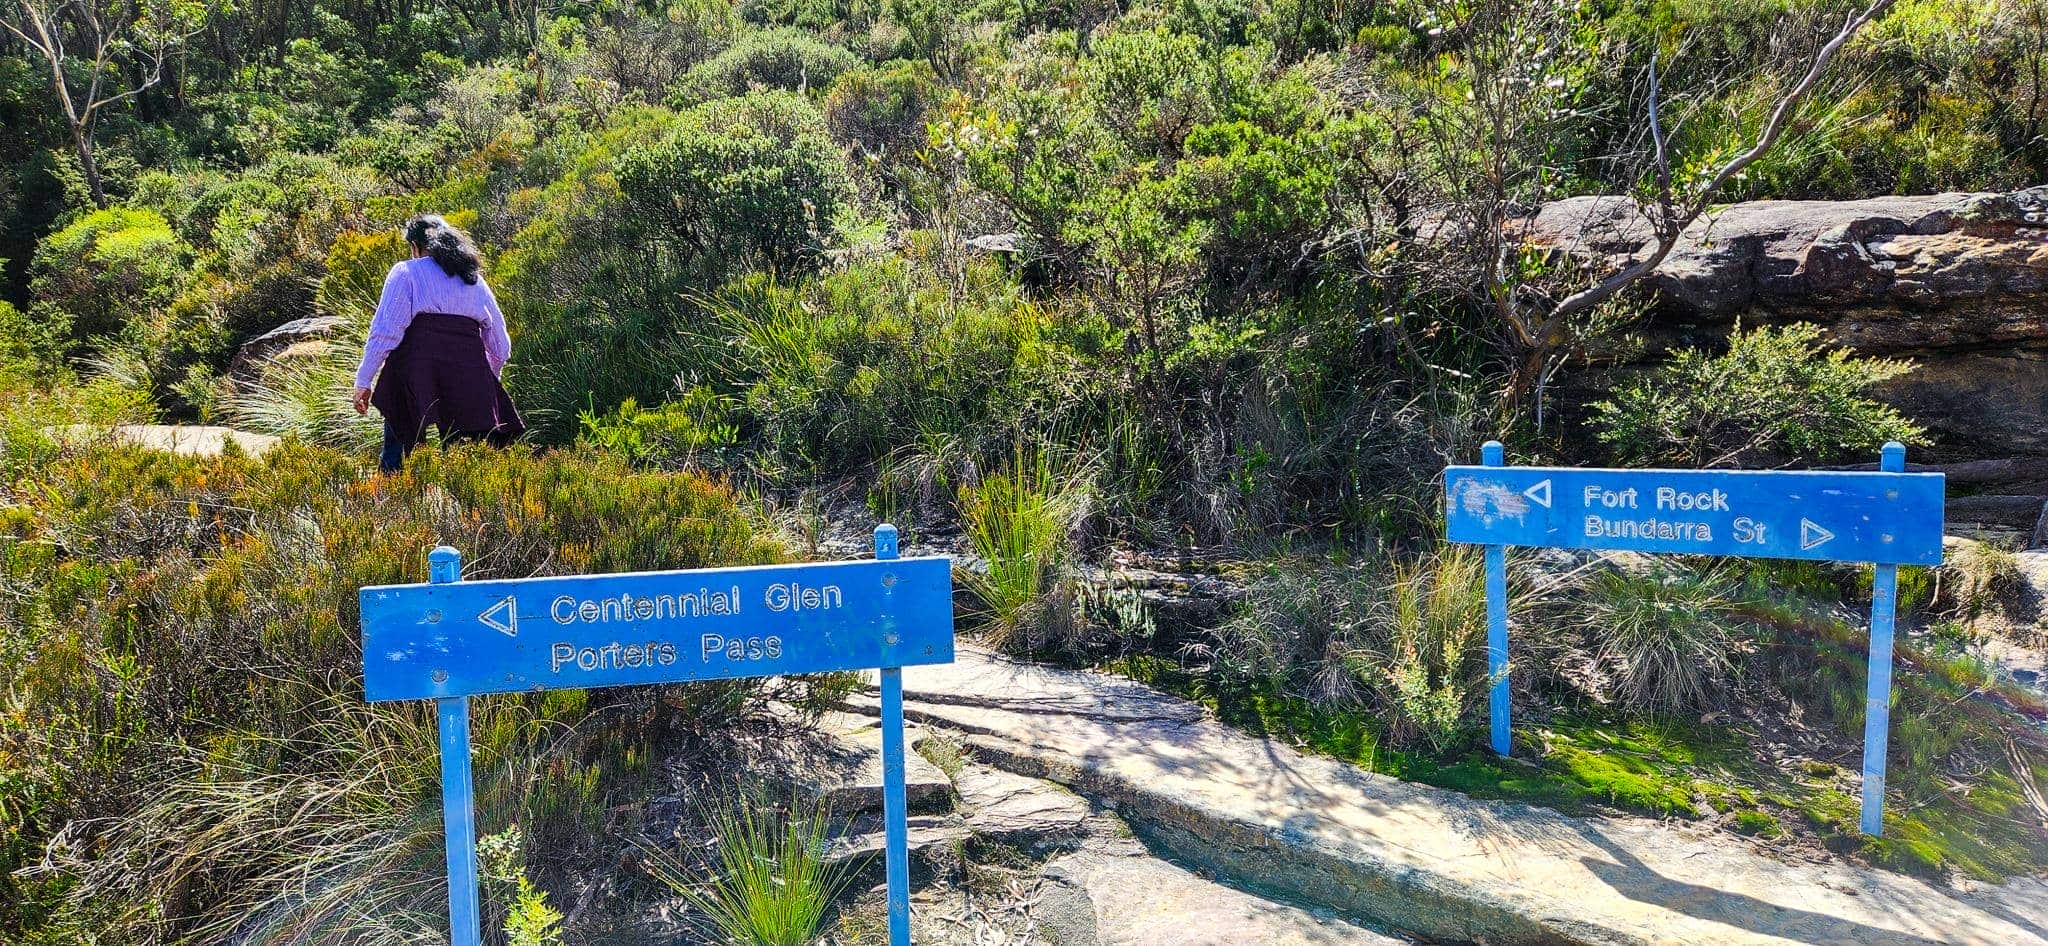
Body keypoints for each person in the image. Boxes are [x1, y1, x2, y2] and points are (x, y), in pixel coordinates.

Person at [352, 215, 524, 472]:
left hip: (414, 373)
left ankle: (392, 503)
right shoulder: (474, 280)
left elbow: (385, 332)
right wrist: (488, 380)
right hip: (468, 375)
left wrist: (364, 380)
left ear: (415, 247)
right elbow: (500, 345)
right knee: (469, 465)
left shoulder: (406, 273)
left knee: (399, 455)